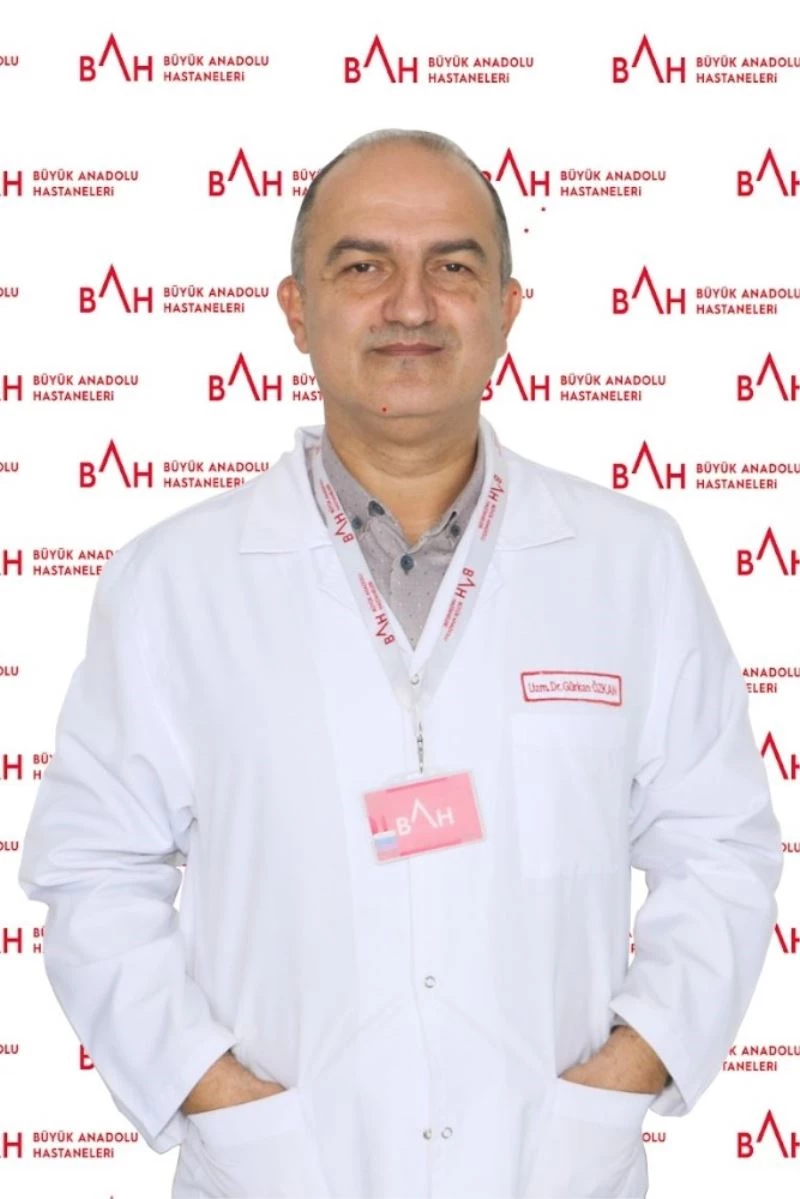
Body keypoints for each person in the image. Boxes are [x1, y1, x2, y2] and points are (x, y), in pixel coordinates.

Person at [18, 128, 783, 1199]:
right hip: (281, 1169)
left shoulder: (630, 562)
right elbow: (94, 871)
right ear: (297, 310)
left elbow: (721, 848)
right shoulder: (173, 582)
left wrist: (625, 1072)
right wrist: (216, 1094)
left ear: (508, 309)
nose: (411, 305)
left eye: (453, 266)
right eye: (363, 265)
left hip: (546, 1165)